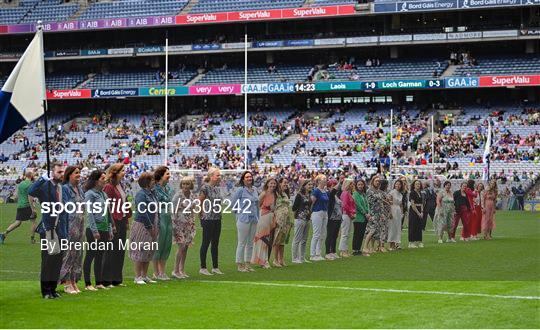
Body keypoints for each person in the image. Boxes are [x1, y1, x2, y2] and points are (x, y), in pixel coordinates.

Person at [29, 163, 67, 299]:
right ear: (52, 173)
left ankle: (53, 289)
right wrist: (43, 178)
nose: (61, 174)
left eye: (63, 172)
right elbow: (31, 191)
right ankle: (45, 291)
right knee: (48, 260)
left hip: (60, 228)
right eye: (59, 172)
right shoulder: (45, 186)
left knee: (57, 260)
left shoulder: (61, 187)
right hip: (48, 228)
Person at [83, 170, 114, 291]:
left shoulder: (103, 194)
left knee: (100, 256)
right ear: (96, 181)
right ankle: (87, 283)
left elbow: (107, 213)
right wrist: (94, 230)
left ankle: (99, 282)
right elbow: (89, 213)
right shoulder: (90, 194)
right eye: (102, 178)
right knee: (90, 255)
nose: (105, 180)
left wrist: (110, 228)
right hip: (93, 229)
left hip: (104, 228)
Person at [103, 163, 131, 287]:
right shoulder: (108, 187)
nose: (124, 172)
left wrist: (126, 219)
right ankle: (106, 279)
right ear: (115, 173)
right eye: (122, 171)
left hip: (122, 220)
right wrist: (111, 222)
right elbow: (106, 206)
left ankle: (117, 279)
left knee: (119, 250)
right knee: (110, 251)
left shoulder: (120, 185)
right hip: (113, 221)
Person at [130, 172, 159, 285]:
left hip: (153, 224)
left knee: (148, 251)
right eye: (152, 180)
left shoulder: (152, 194)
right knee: (140, 250)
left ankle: (144, 275)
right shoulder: (141, 194)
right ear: (147, 182)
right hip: (142, 225)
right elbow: (142, 211)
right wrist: (149, 226)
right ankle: (137, 276)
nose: (154, 182)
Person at [59, 166, 85, 294]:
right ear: (69, 175)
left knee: (78, 254)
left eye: (79, 172)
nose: (79, 175)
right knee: (69, 253)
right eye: (76, 173)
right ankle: (67, 282)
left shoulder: (80, 189)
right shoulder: (65, 189)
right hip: (70, 225)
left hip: (80, 223)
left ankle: (74, 281)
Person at [231, 171, 259, 272]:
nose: (249, 178)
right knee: (242, 242)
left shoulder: (255, 189)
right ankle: (239, 264)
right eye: (247, 177)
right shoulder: (240, 190)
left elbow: (257, 204)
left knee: (250, 243)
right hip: (244, 219)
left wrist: (257, 216)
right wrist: (239, 214)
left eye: (250, 177)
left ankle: (248, 264)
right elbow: (233, 204)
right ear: (243, 179)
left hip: (254, 219)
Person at [0, 170, 37, 244]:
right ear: (31, 176)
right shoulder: (31, 184)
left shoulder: (20, 184)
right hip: (27, 205)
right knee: (33, 222)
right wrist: (33, 208)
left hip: (20, 205)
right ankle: (32, 240)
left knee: (18, 222)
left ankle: (4, 234)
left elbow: (16, 195)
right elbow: (30, 197)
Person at [198, 167, 224, 276]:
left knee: (215, 243)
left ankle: (215, 267)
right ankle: (203, 267)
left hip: (217, 218)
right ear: (211, 176)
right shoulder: (205, 188)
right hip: (208, 219)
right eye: (217, 175)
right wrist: (201, 216)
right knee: (206, 242)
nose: (219, 177)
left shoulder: (217, 188)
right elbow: (200, 202)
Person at [171, 176, 196, 279]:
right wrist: (174, 224)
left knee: (185, 248)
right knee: (181, 247)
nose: (185, 186)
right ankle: (175, 270)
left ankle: (182, 269)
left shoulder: (192, 195)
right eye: (184, 184)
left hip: (188, 224)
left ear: (191, 185)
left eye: (187, 184)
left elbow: (193, 208)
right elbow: (173, 210)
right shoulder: (178, 196)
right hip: (179, 224)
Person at [153, 166, 173, 280]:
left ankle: (162, 272)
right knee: (158, 244)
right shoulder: (155, 189)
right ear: (161, 176)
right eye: (167, 174)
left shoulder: (168, 189)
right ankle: (156, 273)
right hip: (159, 217)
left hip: (168, 217)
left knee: (166, 245)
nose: (169, 176)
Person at [252, 177, 277, 268]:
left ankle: (264, 260)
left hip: (271, 218)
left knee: (269, 240)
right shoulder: (264, 194)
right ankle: (263, 261)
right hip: (264, 217)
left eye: (274, 184)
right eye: (271, 183)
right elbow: (257, 205)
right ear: (267, 184)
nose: (273, 185)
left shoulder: (275, 194)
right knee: (263, 239)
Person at [272, 177, 294, 267]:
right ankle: (275, 259)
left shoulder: (285, 194)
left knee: (283, 240)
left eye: (287, 183)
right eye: (284, 182)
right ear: (279, 183)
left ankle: (281, 259)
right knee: (277, 239)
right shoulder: (276, 194)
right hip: (279, 218)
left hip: (286, 219)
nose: (286, 184)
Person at [291, 180, 313, 263]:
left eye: (311, 184)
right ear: (304, 185)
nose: (310, 186)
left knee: (304, 239)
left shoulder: (309, 194)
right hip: (300, 218)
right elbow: (294, 208)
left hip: (307, 218)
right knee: (297, 239)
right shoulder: (299, 195)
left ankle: (302, 257)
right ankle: (294, 258)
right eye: (309, 184)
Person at [310, 174, 329, 261]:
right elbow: (312, 202)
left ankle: (318, 253)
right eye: (323, 179)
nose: (325, 180)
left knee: (322, 234)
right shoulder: (316, 191)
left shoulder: (325, 191)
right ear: (318, 181)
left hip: (325, 212)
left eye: (325, 179)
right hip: (317, 212)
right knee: (316, 234)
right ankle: (312, 254)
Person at [366, 175, 386, 253]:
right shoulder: (369, 190)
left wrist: (382, 213)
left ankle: (372, 247)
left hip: (379, 213)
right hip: (372, 212)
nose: (377, 182)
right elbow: (368, 202)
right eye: (376, 181)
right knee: (372, 230)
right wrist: (369, 213)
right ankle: (366, 247)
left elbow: (381, 202)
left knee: (376, 231)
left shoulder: (378, 191)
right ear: (373, 181)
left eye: (379, 181)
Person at [352, 179, 370, 256]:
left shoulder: (363, 194)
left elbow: (367, 204)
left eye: (361, 185)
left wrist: (368, 212)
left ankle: (358, 249)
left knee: (361, 234)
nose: (360, 186)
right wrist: (365, 213)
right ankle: (355, 250)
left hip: (364, 217)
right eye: (359, 184)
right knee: (357, 233)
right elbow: (358, 205)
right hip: (358, 217)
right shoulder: (355, 194)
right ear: (356, 185)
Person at [325, 179, 341, 260]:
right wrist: (339, 182)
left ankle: (333, 251)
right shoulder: (329, 194)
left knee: (335, 236)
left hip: (337, 218)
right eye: (333, 185)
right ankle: (327, 252)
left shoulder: (336, 195)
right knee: (330, 235)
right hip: (331, 217)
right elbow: (333, 192)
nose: (335, 187)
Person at [339, 178, 355, 257]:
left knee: (347, 233)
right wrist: (351, 213)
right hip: (346, 215)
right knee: (345, 233)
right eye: (351, 184)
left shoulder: (348, 193)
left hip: (348, 215)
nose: (352, 185)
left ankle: (345, 249)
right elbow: (344, 205)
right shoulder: (345, 193)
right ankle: (342, 250)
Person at [387, 180, 404, 250]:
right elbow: (388, 202)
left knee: (397, 228)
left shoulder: (400, 194)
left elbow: (401, 205)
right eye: (396, 184)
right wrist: (390, 212)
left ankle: (395, 244)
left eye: (399, 184)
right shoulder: (392, 192)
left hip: (398, 211)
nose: (398, 185)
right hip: (392, 209)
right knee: (392, 227)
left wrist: (402, 213)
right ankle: (390, 245)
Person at [408, 180, 424, 248]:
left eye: (419, 184)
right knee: (413, 226)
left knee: (419, 226)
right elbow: (412, 204)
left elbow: (422, 203)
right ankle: (411, 242)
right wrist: (418, 212)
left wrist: (422, 212)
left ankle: (419, 241)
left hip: (420, 209)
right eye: (416, 184)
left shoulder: (420, 192)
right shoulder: (412, 193)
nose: (418, 185)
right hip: (414, 210)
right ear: (414, 185)